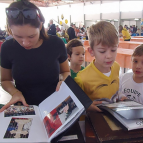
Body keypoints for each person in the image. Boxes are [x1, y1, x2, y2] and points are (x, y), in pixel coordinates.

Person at [0, 0, 70, 112]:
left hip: (56, 106)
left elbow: (65, 72)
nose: (25, 43)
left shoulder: (56, 44)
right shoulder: (7, 47)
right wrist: (15, 93)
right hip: (25, 106)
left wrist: (63, 81)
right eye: (18, 36)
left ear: (41, 26)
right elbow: (5, 80)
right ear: (10, 29)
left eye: (31, 36)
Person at [74, 21, 120, 112]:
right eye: (102, 51)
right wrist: (86, 106)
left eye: (113, 50)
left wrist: (120, 97)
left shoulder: (116, 67)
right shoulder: (82, 78)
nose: (109, 56)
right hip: (95, 121)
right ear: (91, 51)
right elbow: (75, 105)